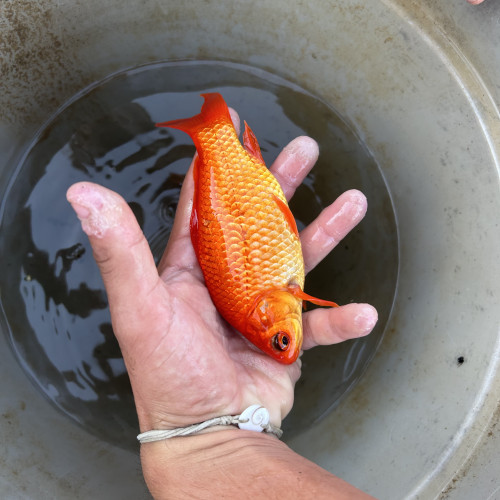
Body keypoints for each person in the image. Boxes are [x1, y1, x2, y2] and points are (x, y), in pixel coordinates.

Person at [67, 107, 379, 499]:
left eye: (281, 341)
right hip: (249, 216)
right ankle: (213, 135)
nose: (290, 345)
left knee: (224, 142)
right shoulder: (275, 298)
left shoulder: (276, 298)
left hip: (243, 216)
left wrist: (200, 441)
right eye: (281, 342)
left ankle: (211, 135)